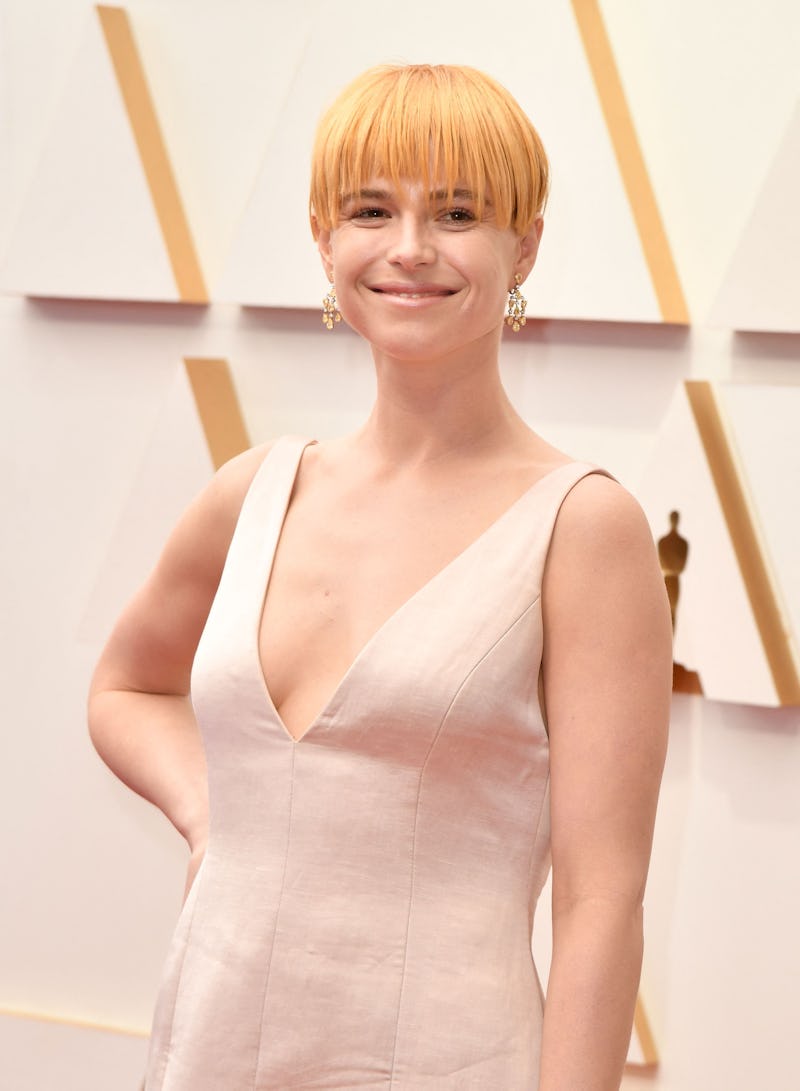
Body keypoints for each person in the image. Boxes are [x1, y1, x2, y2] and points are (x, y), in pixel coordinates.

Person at [88, 64, 672, 1090]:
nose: (409, 248)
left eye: (456, 211)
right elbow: (125, 686)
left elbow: (598, 899)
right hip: (209, 1045)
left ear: (522, 243)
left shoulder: (581, 527)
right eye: (371, 210)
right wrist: (207, 807)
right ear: (324, 240)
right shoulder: (254, 491)